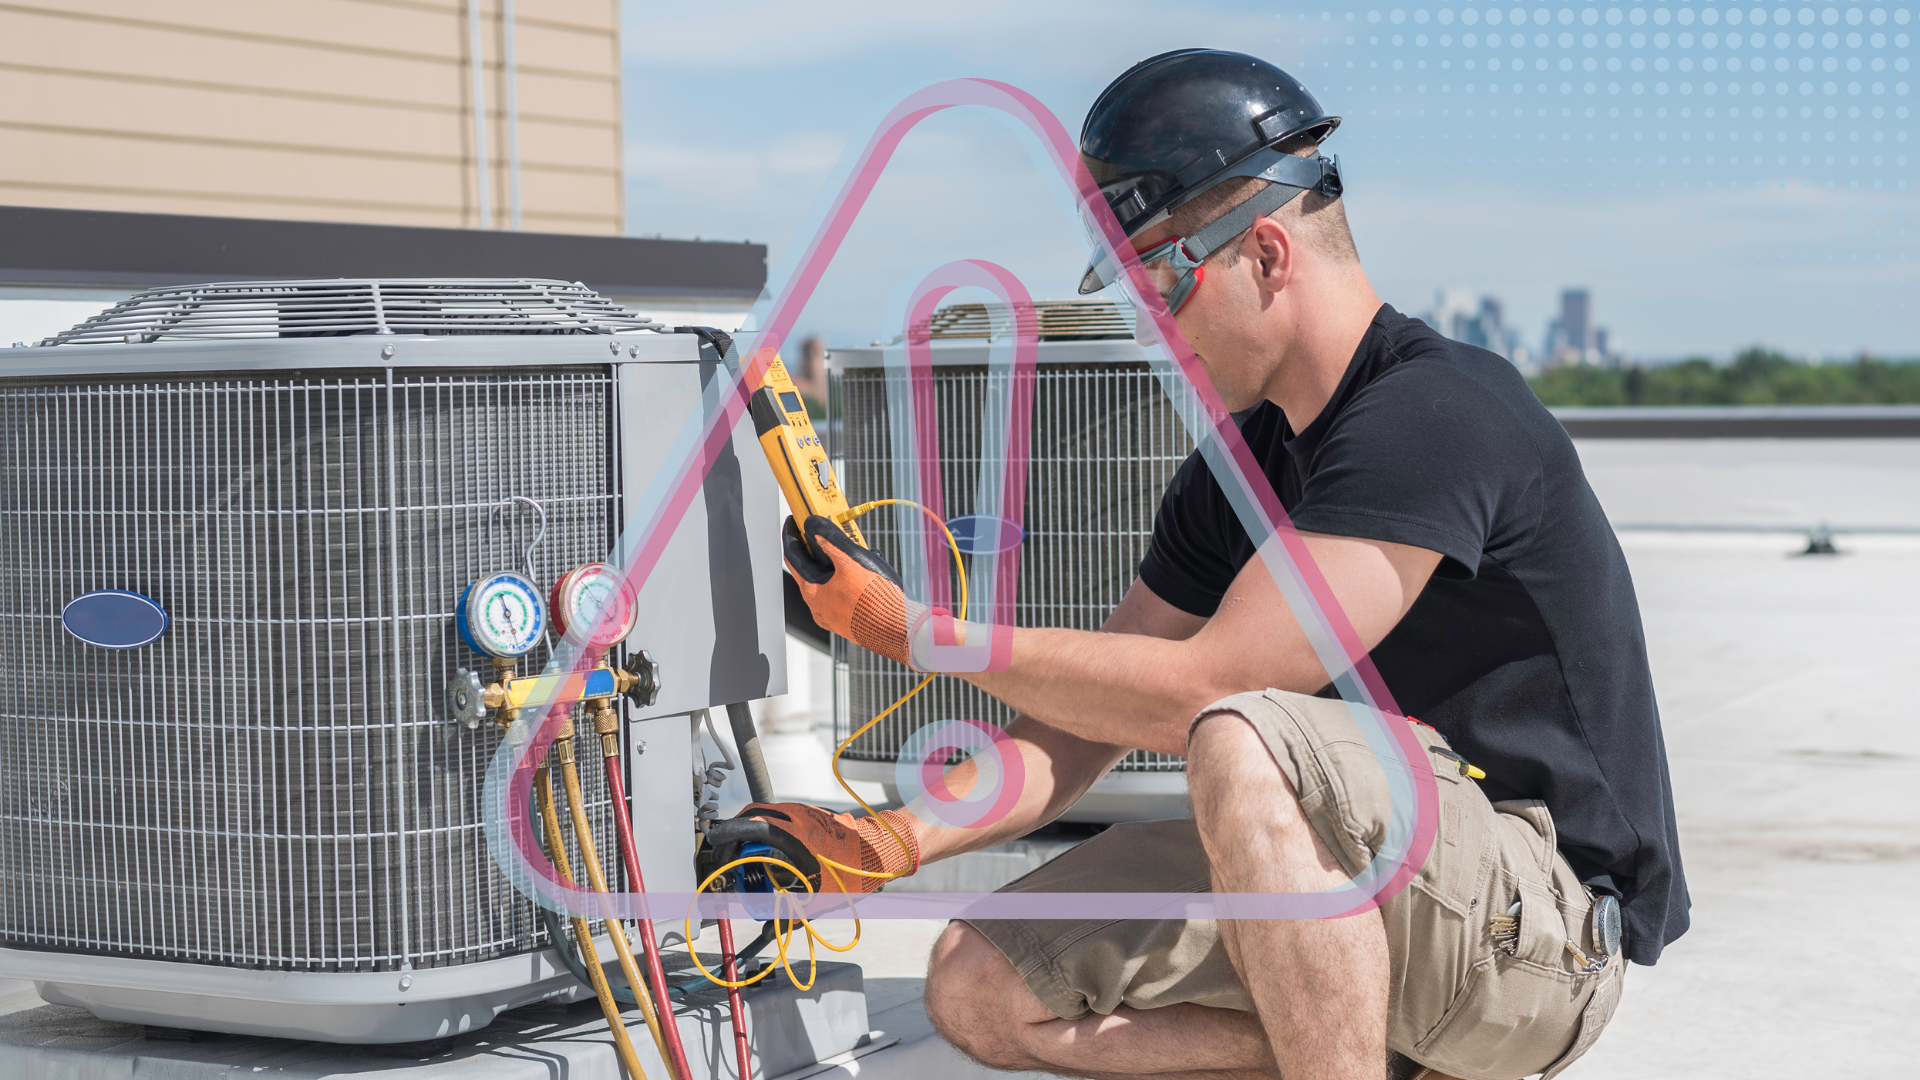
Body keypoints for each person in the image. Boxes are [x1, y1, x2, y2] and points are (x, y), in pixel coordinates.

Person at [747, 49, 1688, 1080]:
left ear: (1269, 255)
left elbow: (1212, 685)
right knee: (981, 983)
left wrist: (915, 631)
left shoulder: (1436, 416)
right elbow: (1081, 721)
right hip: (1390, 887)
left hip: (1537, 932)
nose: (1151, 330)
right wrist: (895, 839)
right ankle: (1367, 1047)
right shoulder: (1236, 473)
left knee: (1240, 734)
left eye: (1161, 284)